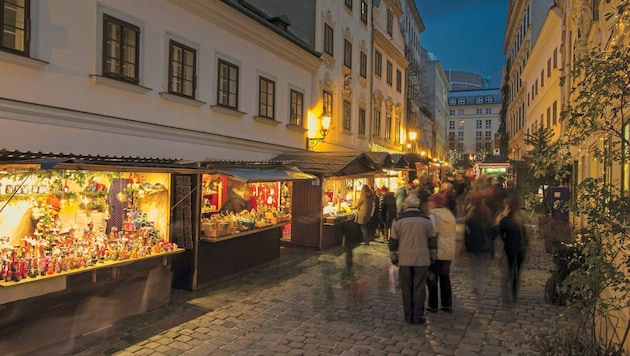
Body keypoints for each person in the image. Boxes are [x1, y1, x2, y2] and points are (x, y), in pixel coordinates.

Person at [388, 194, 436, 325]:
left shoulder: (398, 221)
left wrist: (394, 257)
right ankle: (418, 316)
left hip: (405, 259)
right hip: (422, 259)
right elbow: (432, 241)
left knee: (407, 288)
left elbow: (393, 242)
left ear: (406, 205)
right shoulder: (426, 220)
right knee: (419, 289)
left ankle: (408, 316)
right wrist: (433, 257)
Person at [426, 192, 457, 313]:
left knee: (432, 278)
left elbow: (431, 234)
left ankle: (433, 305)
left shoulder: (433, 216)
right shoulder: (449, 214)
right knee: (445, 277)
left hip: (437, 251)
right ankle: (447, 304)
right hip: (448, 250)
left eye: (430, 201)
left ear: (434, 203)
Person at [464, 191, 494, 302]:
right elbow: (492, 230)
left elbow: (467, 232)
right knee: (481, 268)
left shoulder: (470, 215)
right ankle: (480, 288)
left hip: (473, 244)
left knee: (474, 267)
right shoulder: (487, 213)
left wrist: (465, 245)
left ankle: (476, 286)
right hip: (484, 244)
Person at [499, 197, 527, 303]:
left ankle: (511, 287)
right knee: (517, 271)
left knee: (511, 268)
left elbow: (501, 235)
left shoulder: (505, 220)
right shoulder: (521, 218)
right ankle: (514, 289)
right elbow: (525, 235)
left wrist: (505, 241)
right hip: (520, 248)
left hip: (510, 247)